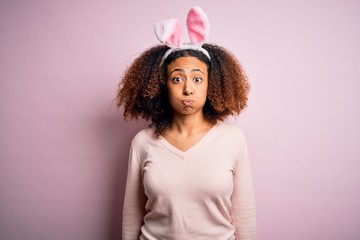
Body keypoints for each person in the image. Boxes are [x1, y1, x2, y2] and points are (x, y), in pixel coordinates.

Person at [117, 6, 256, 240]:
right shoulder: (142, 142)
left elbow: (244, 216)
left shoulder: (233, 139)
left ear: (211, 84)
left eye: (198, 78)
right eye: (177, 78)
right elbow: (132, 215)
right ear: (162, 85)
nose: (188, 89)